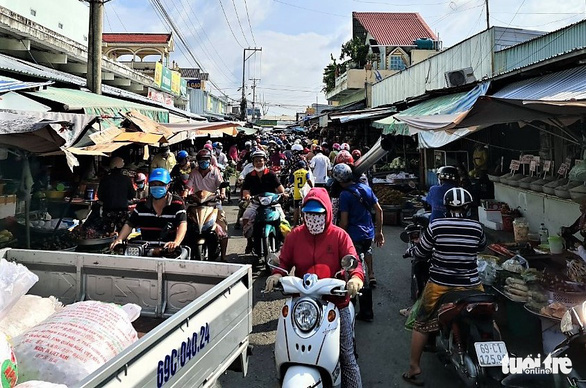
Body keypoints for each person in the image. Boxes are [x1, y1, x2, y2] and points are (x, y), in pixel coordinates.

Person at [264, 187, 364, 387]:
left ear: (327, 212)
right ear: (303, 213)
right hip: (303, 301)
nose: (313, 219)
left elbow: (355, 263)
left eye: (318, 214)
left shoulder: (339, 236)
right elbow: (284, 262)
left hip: (336, 302)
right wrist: (276, 274)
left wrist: (355, 278)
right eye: (308, 214)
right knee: (284, 349)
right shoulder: (295, 236)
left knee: (346, 354)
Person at [402, 187, 486, 387]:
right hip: (472, 286)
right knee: (486, 314)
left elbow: (422, 252)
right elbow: (481, 246)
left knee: (421, 322)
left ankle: (414, 367)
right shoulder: (477, 227)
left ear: (446, 206)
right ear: (467, 207)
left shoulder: (437, 225)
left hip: (440, 285)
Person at [334, 163, 384, 322]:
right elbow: (379, 210)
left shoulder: (345, 195)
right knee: (364, 260)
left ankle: (358, 308)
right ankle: (365, 306)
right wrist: (378, 232)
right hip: (368, 234)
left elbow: (344, 221)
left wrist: (339, 237)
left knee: (353, 271)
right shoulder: (365, 188)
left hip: (353, 237)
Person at [110, 168, 187, 250]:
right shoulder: (142, 204)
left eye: (160, 184)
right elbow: (130, 224)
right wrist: (119, 239)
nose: (156, 187)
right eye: (153, 184)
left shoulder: (177, 204)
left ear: (168, 185)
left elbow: (182, 225)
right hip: (145, 250)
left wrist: (176, 242)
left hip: (168, 250)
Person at [186, 149, 229, 261]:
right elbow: (188, 186)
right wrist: (185, 194)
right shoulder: (194, 172)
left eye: (206, 160)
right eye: (201, 160)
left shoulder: (215, 171)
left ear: (210, 160)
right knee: (184, 222)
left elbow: (221, 184)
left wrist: (222, 193)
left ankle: (223, 256)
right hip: (196, 203)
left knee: (223, 229)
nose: (203, 162)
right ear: (197, 161)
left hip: (213, 202)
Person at [241, 150, 287, 253]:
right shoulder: (249, 176)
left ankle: (283, 240)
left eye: (260, 161)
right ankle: (249, 241)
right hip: (256, 203)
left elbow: (280, 188)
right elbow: (245, 190)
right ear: (253, 163)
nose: (258, 163)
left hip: (272, 203)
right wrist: (247, 196)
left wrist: (283, 194)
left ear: (265, 161)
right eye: (256, 161)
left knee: (283, 220)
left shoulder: (271, 174)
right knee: (245, 217)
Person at [97, 156, 136, 234]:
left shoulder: (105, 179)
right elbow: (132, 194)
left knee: (107, 233)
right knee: (122, 233)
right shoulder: (126, 179)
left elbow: (100, 195)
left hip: (108, 210)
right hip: (122, 210)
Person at [290, 160, 313, 226]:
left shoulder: (295, 173)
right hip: (304, 193)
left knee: (296, 208)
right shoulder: (306, 172)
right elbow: (308, 180)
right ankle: (304, 224)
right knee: (304, 208)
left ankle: (294, 225)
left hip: (296, 193)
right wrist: (312, 187)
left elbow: (290, 182)